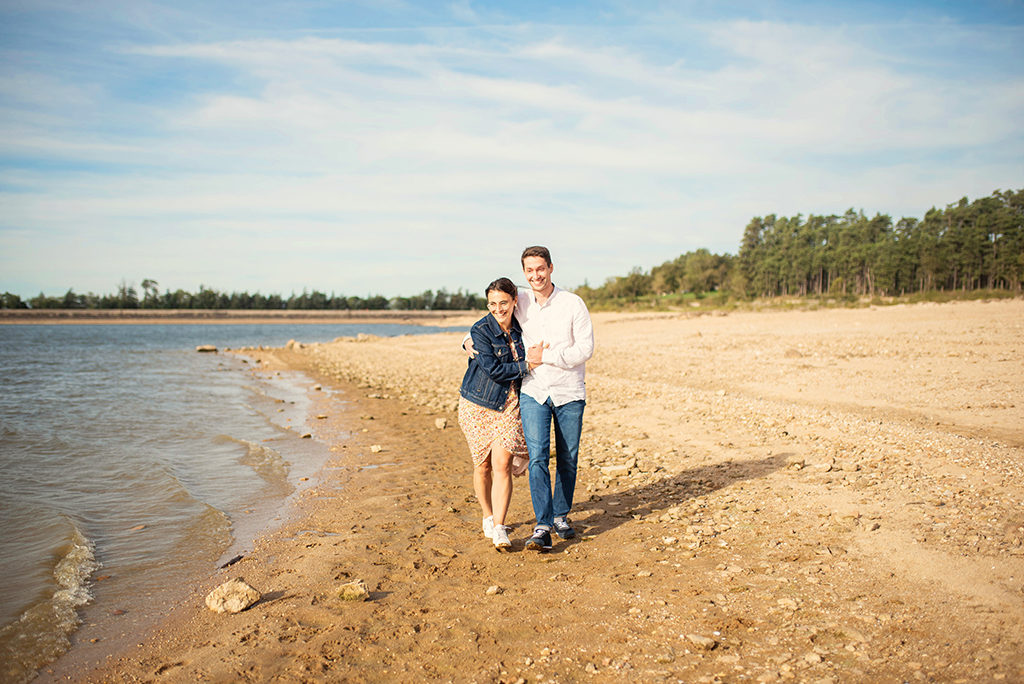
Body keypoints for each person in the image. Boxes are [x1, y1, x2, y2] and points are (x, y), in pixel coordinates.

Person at [466, 246, 595, 552]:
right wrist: (467, 340)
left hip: (569, 392)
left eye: (540, 269)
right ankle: (542, 524)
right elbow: (494, 316)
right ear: (524, 273)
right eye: (529, 270)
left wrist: (545, 356)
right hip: (534, 391)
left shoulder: (573, 303)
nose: (535, 275)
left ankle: (561, 515)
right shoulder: (521, 299)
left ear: (551, 268)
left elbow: (585, 349)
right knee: (537, 458)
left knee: (568, 457)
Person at [457, 277, 533, 551]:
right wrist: (528, 366)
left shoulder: (524, 325)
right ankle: (488, 517)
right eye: (492, 304)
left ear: (514, 301)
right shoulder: (480, 330)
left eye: (503, 302)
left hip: (510, 405)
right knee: (483, 466)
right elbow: (493, 370)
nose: (498, 309)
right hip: (478, 404)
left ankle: (500, 527)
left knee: (502, 465)